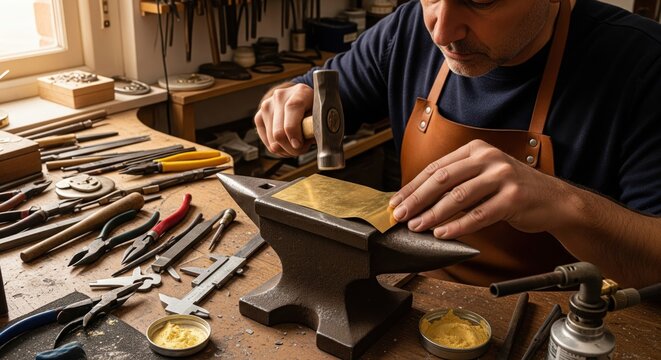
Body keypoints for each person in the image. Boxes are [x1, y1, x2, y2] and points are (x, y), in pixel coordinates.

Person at [254, 0, 661, 288]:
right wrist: (292, 96)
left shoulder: (645, 65)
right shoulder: (407, 29)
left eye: (481, 1)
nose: (442, 30)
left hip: (561, 317)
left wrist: (564, 205)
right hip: (416, 293)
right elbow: (323, 92)